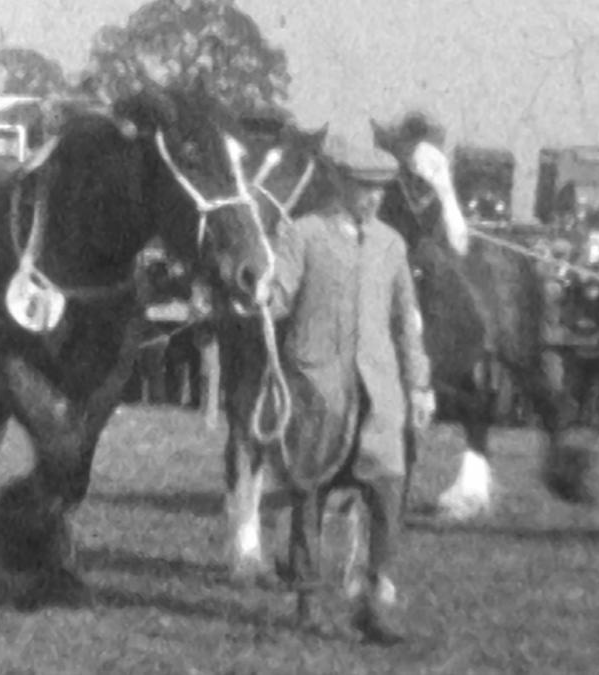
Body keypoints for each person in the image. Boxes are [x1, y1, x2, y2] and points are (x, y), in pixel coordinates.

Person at [264, 136, 436, 641]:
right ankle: (307, 598)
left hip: (379, 396)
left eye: (380, 189)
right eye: (364, 187)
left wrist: (419, 384)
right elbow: (278, 298)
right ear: (339, 183)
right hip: (319, 390)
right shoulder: (303, 234)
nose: (374, 198)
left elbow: (407, 321)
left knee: (386, 493)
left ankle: (373, 600)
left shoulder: (391, 244)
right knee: (309, 493)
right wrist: (258, 294)